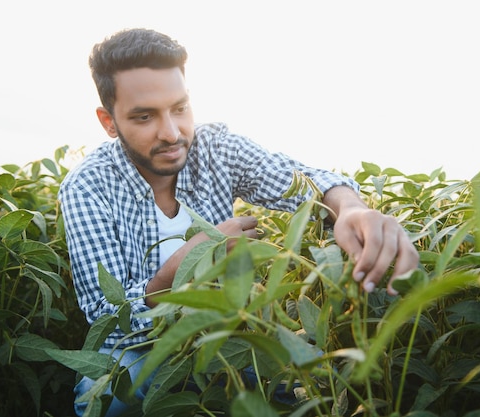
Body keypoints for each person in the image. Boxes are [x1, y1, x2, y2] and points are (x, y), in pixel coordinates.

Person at [58, 28, 420, 416]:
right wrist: (192, 263)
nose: (172, 132)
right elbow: (108, 314)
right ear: (108, 122)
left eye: (179, 108)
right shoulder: (86, 185)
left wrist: (349, 208)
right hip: (136, 347)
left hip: (229, 332)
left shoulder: (215, 148)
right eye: (144, 117)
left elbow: (303, 179)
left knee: (318, 383)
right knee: (108, 402)